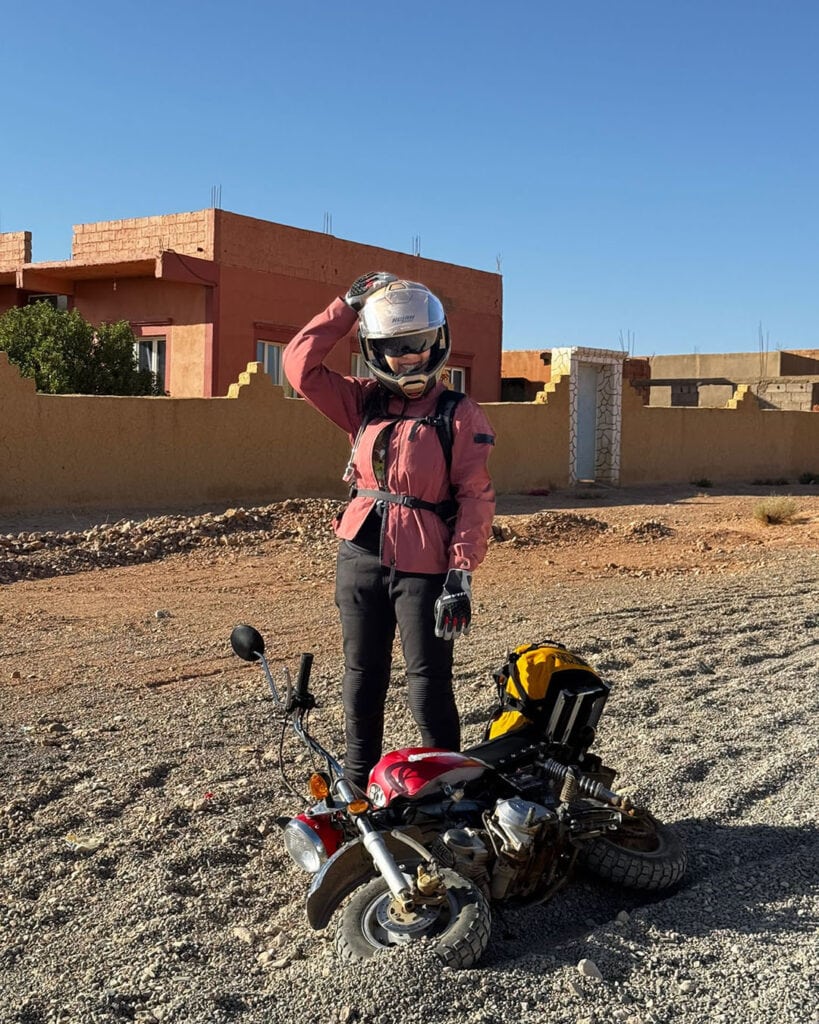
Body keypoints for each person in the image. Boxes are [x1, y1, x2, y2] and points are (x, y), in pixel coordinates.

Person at [283, 272, 496, 791]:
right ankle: (358, 788)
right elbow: (298, 367)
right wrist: (345, 305)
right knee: (362, 677)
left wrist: (460, 575)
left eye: (420, 346)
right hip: (359, 555)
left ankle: (450, 790)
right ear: (376, 351)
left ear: (437, 344)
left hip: (426, 565)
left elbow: (475, 496)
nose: (411, 358)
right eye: (397, 348)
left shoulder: (458, 413)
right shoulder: (362, 402)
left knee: (428, 683)